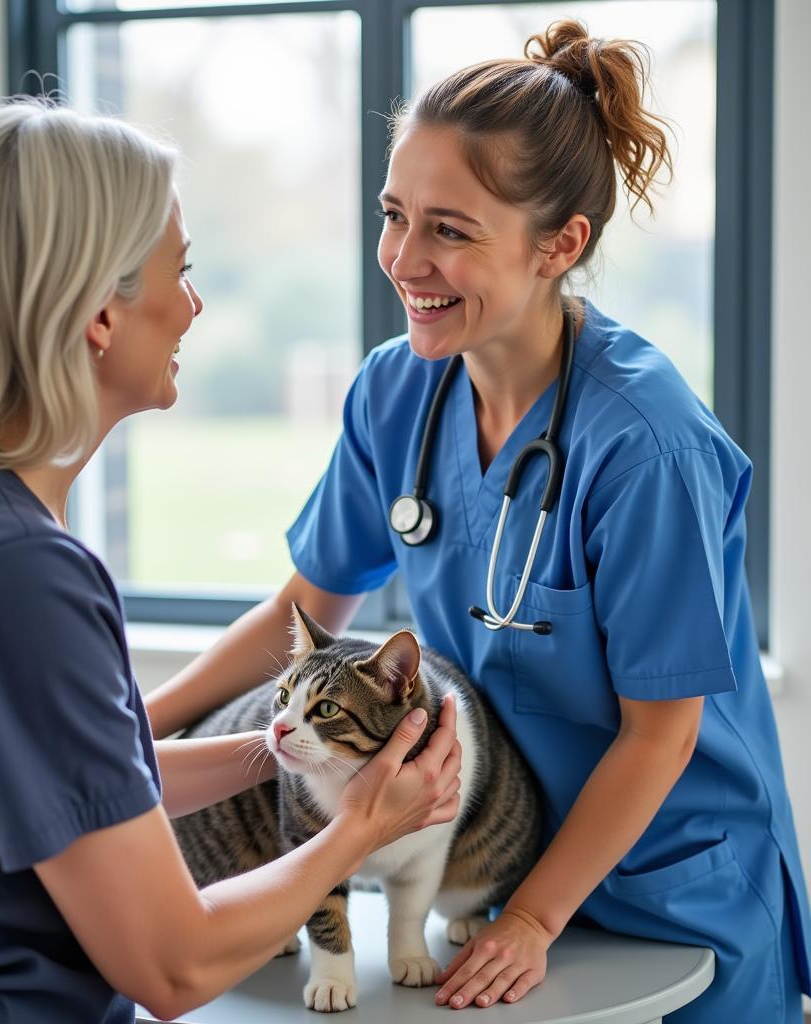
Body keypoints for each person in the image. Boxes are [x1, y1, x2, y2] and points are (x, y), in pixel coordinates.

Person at [144, 20, 811, 1022]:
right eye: (392, 214)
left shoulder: (647, 448)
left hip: (669, 888)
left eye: (449, 230)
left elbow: (659, 735)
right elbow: (305, 602)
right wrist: (128, 730)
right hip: (498, 864)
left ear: (561, 244)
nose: (403, 259)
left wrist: (536, 918)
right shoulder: (394, 393)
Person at [0, 100, 463, 1024]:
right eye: (179, 273)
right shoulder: (13, 573)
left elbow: (74, 777)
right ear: (100, 314)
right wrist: (362, 828)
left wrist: (285, 758)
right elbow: (172, 965)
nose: (194, 304)